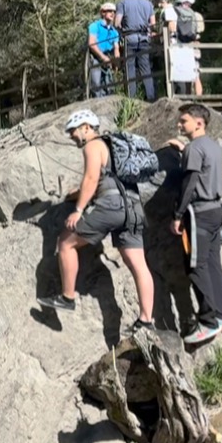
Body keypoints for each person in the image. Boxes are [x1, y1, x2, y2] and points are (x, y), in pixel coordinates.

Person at [37, 109, 156, 325]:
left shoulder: (93, 146)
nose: (72, 136)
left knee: (65, 243)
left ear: (86, 127)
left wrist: (78, 209)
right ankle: (146, 318)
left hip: (111, 207)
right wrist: (76, 195)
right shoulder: (115, 147)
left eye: (73, 131)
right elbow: (105, 181)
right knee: (138, 264)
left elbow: (91, 179)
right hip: (133, 207)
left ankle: (67, 297)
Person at [168, 104, 222, 348]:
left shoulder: (194, 148)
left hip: (199, 214)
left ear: (199, 123)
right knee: (213, 264)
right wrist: (185, 151)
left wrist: (177, 214)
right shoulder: (213, 146)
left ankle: (208, 320)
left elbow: (191, 182)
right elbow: (204, 172)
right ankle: (221, 315)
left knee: (194, 266)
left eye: (184, 121)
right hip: (216, 210)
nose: (179, 125)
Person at [116, 0, 157, 102]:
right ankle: (151, 97)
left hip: (130, 37)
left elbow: (117, 23)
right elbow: (153, 23)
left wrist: (122, 29)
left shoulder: (122, 3)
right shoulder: (147, 3)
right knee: (146, 68)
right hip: (144, 38)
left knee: (130, 69)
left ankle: (131, 99)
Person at [171, 0, 204, 99]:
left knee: (183, 74)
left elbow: (172, 30)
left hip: (180, 47)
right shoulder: (196, 15)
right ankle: (199, 99)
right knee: (196, 76)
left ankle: (186, 98)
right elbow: (199, 31)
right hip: (193, 46)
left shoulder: (175, 13)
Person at [86, 2, 122, 97]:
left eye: (114, 11)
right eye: (109, 11)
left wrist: (116, 62)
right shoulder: (94, 26)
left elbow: (116, 48)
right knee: (96, 85)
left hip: (108, 58)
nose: (112, 13)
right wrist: (103, 58)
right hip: (95, 57)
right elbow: (91, 43)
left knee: (109, 86)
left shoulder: (114, 32)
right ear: (103, 13)